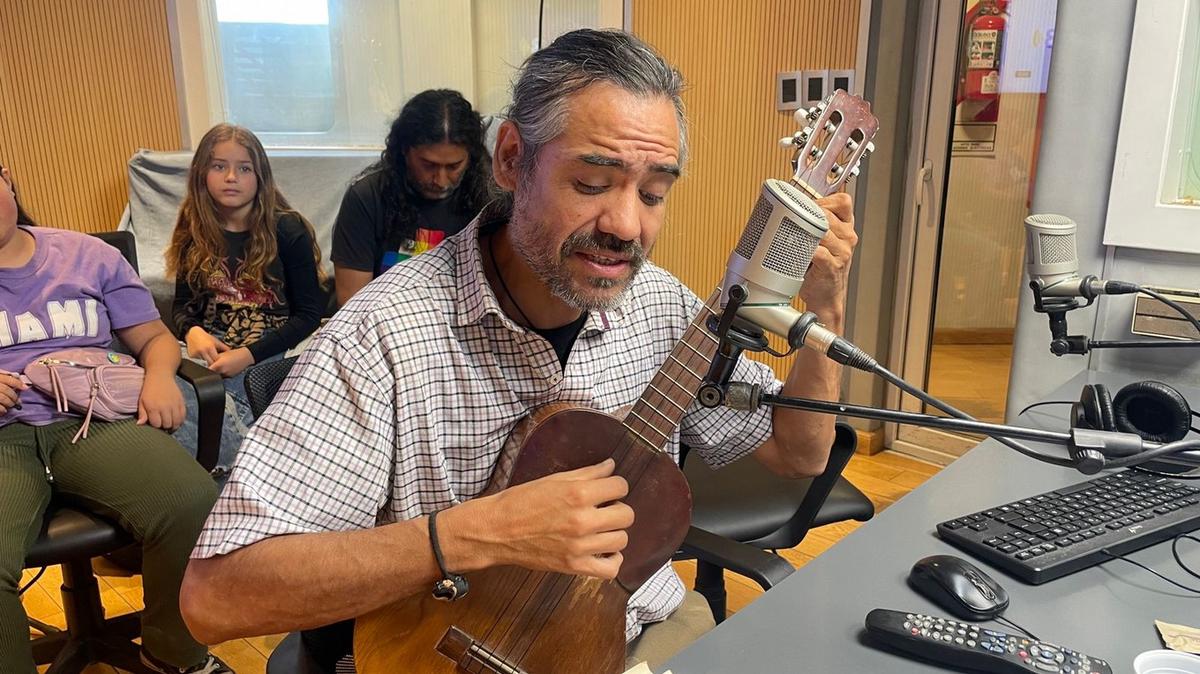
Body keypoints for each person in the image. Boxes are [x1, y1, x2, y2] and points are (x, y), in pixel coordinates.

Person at [180, 29, 858, 671]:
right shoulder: (381, 335)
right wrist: (477, 534)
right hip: (449, 653)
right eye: (592, 183)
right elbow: (216, 597)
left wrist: (824, 307)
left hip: (628, 638)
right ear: (510, 159)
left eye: (654, 193)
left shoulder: (664, 307)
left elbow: (799, 454)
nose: (626, 224)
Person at [0, 162, 231, 673]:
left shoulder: (86, 255)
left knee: (191, 500)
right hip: (3, 440)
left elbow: (152, 338)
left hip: (92, 419)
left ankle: (173, 656)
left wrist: (159, 377)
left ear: (8, 178)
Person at [167, 124, 325, 477]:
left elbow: (311, 314)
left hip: (273, 350)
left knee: (228, 400)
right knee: (164, 386)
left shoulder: (288, 230)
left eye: (244, 168)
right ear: (201, 174)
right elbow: (181, 306)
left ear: (260, 176)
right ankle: (197, 479)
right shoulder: (193, 231)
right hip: (210, 351)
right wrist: (191, 331)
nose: (231, 177)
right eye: (219, 166)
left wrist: (248, 355)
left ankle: (234, 478)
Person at [331, 88, 492, 305]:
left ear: (470, 158)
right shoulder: (366, 197)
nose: (440, 180)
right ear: (404, 151)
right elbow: (352, 304)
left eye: (454, 166)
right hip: (386, 324)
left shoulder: (489, 196)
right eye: (428, 164)